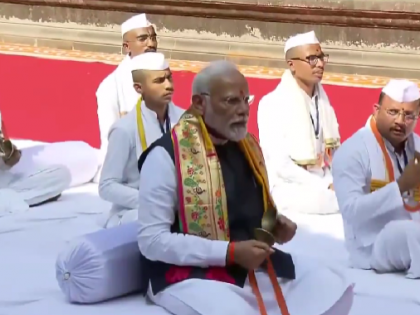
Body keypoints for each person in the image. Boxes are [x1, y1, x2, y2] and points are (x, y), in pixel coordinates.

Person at [137, 61, 353, 315]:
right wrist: (229, 253)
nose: (243, 111)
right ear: (199, 104)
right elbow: (151, 241)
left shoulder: (245, 145)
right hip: (189, 273)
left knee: (333, 287)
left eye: (245, 101)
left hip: (248, 264)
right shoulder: (166, 155)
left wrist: (275, 225)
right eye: (231, 102)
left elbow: (247, 211)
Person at [332, 79, 420, 278]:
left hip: (412, 224)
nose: (400, 121)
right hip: (371, 243)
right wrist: (400, 187)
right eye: (393, 112)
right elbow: (351, 212)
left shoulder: (417, 146)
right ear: (376, 110)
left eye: (408, 115)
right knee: (410, 233)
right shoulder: (353, 150)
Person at [258, 31, 340, 215]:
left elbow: (334, 153)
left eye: (321, 57)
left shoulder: (324, 103)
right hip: (290, 188)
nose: (319, 64)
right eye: (311, 58)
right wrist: (326, 185)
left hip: (326, 182)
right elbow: (280, 165)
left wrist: (338, 180)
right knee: (343, 200)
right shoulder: (272, 103)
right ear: (291, 65)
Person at [99, 52, 184, 228]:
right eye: (159, 81)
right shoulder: (125, 129)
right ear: (139, 88)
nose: (168, 86)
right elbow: (107, 186)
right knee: (152, 221)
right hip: (134, 212)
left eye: (169, 78)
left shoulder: (186, 120)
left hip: (181, 206)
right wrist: (151, 202)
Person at [95, 13, 157, 181]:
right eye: (143, 39)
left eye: (153, 38)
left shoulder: (159, 77)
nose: (151, 44)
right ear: (127, 47)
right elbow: (112, 143)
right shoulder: (109, 87)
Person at [0, 130, 71, 213]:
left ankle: (10, 199)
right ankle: (11, 200)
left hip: (8, 183)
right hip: (7, 188)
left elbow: (10, 160)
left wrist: (9, 155)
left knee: (61, 173)